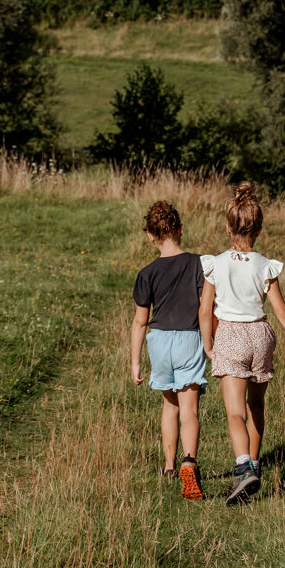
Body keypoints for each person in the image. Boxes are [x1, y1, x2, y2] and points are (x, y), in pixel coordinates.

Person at [199, 182, 285, 505]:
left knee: (234, 412)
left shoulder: (215, 264)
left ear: (227, 226)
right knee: (255, 406)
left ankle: (243, 468)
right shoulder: (265, 265)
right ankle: (254, 464)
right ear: (259, 228)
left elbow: (205, 310)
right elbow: (281, 310)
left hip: (231, 336)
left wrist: (208, 344)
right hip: (261, 335)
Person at [131, 201, 206, 500]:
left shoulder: (146, 273)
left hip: (159, 341)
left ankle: (169, 466)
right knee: (189, 409)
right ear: (181, 230)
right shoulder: (200, 264)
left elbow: (140, 321)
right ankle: (190, 460)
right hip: (189, 338)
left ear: (150, 236)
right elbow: (206, 308)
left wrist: (135, 361)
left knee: (169, 406)